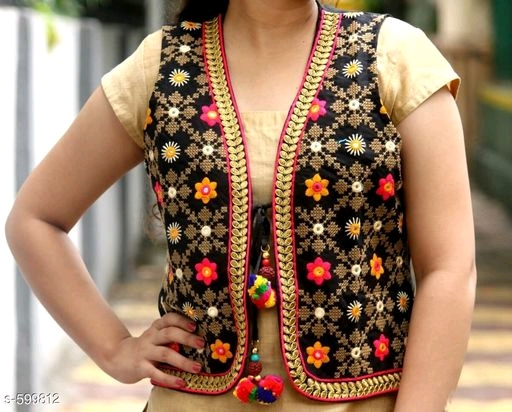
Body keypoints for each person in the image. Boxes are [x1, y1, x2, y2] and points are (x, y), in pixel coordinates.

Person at [6, 0, 476, 411]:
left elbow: (449, 269)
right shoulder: (163, 65)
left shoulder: (393, 57)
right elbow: (35, 219)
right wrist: (114, 349)